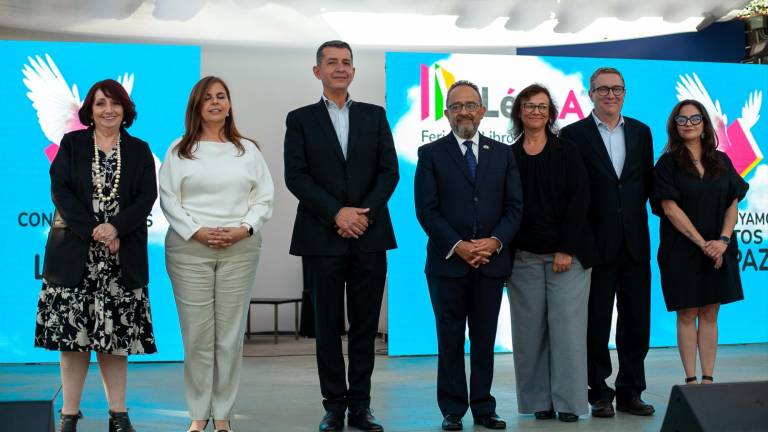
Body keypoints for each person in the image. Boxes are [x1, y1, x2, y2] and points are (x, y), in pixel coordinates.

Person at [283, 40, 398, 432]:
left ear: (353, 71)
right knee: (328, 327)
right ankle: (333, 406)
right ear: (317, 71)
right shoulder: (299, 119)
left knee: (365, 327)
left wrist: (360, 214)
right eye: (331, 62)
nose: (340, 68)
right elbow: (295, 176)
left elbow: (389, 172)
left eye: (346, 62)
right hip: (322, 237)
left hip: (369, 233)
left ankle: (360, 407)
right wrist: (337, 213)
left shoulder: (375, 116)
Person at [34, 79, 157, 432]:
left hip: (121, 257)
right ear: (89, 109)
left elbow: (145, 197)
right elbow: (60, 191)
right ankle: (68, 416)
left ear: (125, 109)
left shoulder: (139, 149)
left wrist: (115, 227)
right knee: (73, 342)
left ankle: (118, 416)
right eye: (101, 103)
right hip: (74, 254)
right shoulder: (72, 144)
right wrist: (95, 230)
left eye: (115, 103)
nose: (108, 110)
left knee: (115, 341)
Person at [159, 76, 274, 432]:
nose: (215, 102)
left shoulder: (248, 150)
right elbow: (169, 197)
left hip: (240, 248)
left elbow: (264, 197)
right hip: (189, 250)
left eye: (221, 96)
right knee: (197, 336)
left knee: (228, 336)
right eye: (207, 97)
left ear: (229, 104)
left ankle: (222, 415)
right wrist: (197, 231)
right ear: (196, 105)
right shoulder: (179, 149)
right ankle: (197, 415)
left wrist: (243, 228)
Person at [414, 80, 523, 431]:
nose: (464, 111)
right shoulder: (430, 154)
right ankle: (452, 410)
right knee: (449, 340)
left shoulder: (502, 153)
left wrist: (493, 243)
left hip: (491, 263)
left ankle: (484, 408)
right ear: (446, 113)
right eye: (456, 105)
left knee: (484, 339)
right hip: (447, 265)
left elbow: (514, 207)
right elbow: (426, 211)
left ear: (481, 110)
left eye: (471, 105)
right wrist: (459, 246)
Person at [559, 67, 656, 417]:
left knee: (636, 322)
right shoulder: (572, 135)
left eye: (617, 89)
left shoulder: (642, 132)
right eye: (603, 89)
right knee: (595, 323)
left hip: (634, 244)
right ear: (591, 94)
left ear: (625, 93)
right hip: (594, 246)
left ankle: (632, 391)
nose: (610, 95)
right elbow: (570, 193)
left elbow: (646, 184)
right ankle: (598, 391)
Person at [507, 84, 596, 423]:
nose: (535, 112)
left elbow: (580, 200)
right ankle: (537, 402)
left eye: (542, 107)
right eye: (529, 106)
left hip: (567, 259)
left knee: (568, 333)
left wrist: (565, 248)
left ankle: (569, 404)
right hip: (523, 258)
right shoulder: (509, 155)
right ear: (519, 111)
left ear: (550, 113)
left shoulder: (568, 151)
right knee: (528, 334)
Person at [652, 99, 747, 385]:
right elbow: (670, 208)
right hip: (682, 250)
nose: (689, 124)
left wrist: (722, 241)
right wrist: (703, 244)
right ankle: (691, 381)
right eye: (682, 120)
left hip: (720, 248)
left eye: (695, 119)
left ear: (704, 124)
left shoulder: (721, 160)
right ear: (674, 126)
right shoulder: (667, 163)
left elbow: (733, 202)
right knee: (687, 312)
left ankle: (708, 380)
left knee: (710, 311)